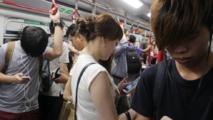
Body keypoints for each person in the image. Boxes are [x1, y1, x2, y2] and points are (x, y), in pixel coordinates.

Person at [119, 0, 213, 119]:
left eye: (190, 38)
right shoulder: (151, 78)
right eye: (170, 40)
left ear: (210, 27)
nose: (180, 49)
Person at [0, 7, 63, 120]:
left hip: (31, 109)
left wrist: (57, 22)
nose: (33, 56)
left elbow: (57, 51)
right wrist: (13, 79)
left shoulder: (40, 49)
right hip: (6, 109)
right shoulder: (6, 50)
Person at [70, 13, 129, 120]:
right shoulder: (97, 72)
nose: (114, 49)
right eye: (115, 43)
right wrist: (132, 113)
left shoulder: (79, 61)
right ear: (104, 39)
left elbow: (90, 104)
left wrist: (114, 93)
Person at [38, 20, 69, 120]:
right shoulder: (63, 45)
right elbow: (63, 70)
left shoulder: (43, 41)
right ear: (61, 30)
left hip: (41, 87)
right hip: (55, 90)